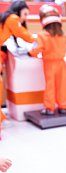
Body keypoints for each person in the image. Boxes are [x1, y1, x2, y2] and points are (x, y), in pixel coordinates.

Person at [0, 0, 34, 135]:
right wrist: (38, 39)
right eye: (25, 14)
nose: (25, 17)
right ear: (18, 9)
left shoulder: (7, 19)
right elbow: (23, 34)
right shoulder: (13, 18)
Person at [28, 5, 66, 115]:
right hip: (61, 63)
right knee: (62, 86)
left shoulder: (42, 36)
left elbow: (36, 49)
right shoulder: (63, 35)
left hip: (49, 64)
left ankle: (49, 108)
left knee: (50, 86)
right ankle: (62, 106)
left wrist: (30, 53)